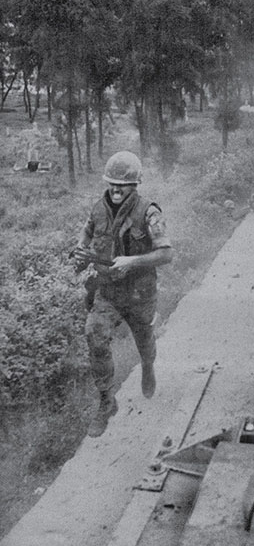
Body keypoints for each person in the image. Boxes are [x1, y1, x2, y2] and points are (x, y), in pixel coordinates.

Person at [73, 151, 172, 437]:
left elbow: (166, 253)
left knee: (144, 340)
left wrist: (133, 261)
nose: (116, 189)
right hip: (109, 292)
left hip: (140, 293)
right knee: (94, 334)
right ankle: (106, 400)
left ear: (135, 185)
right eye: (111, 183)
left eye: (123, 184)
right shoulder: (98, 209)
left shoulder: (149, 212)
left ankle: (148, 366)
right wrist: (81, 253)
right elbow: (86, 235)